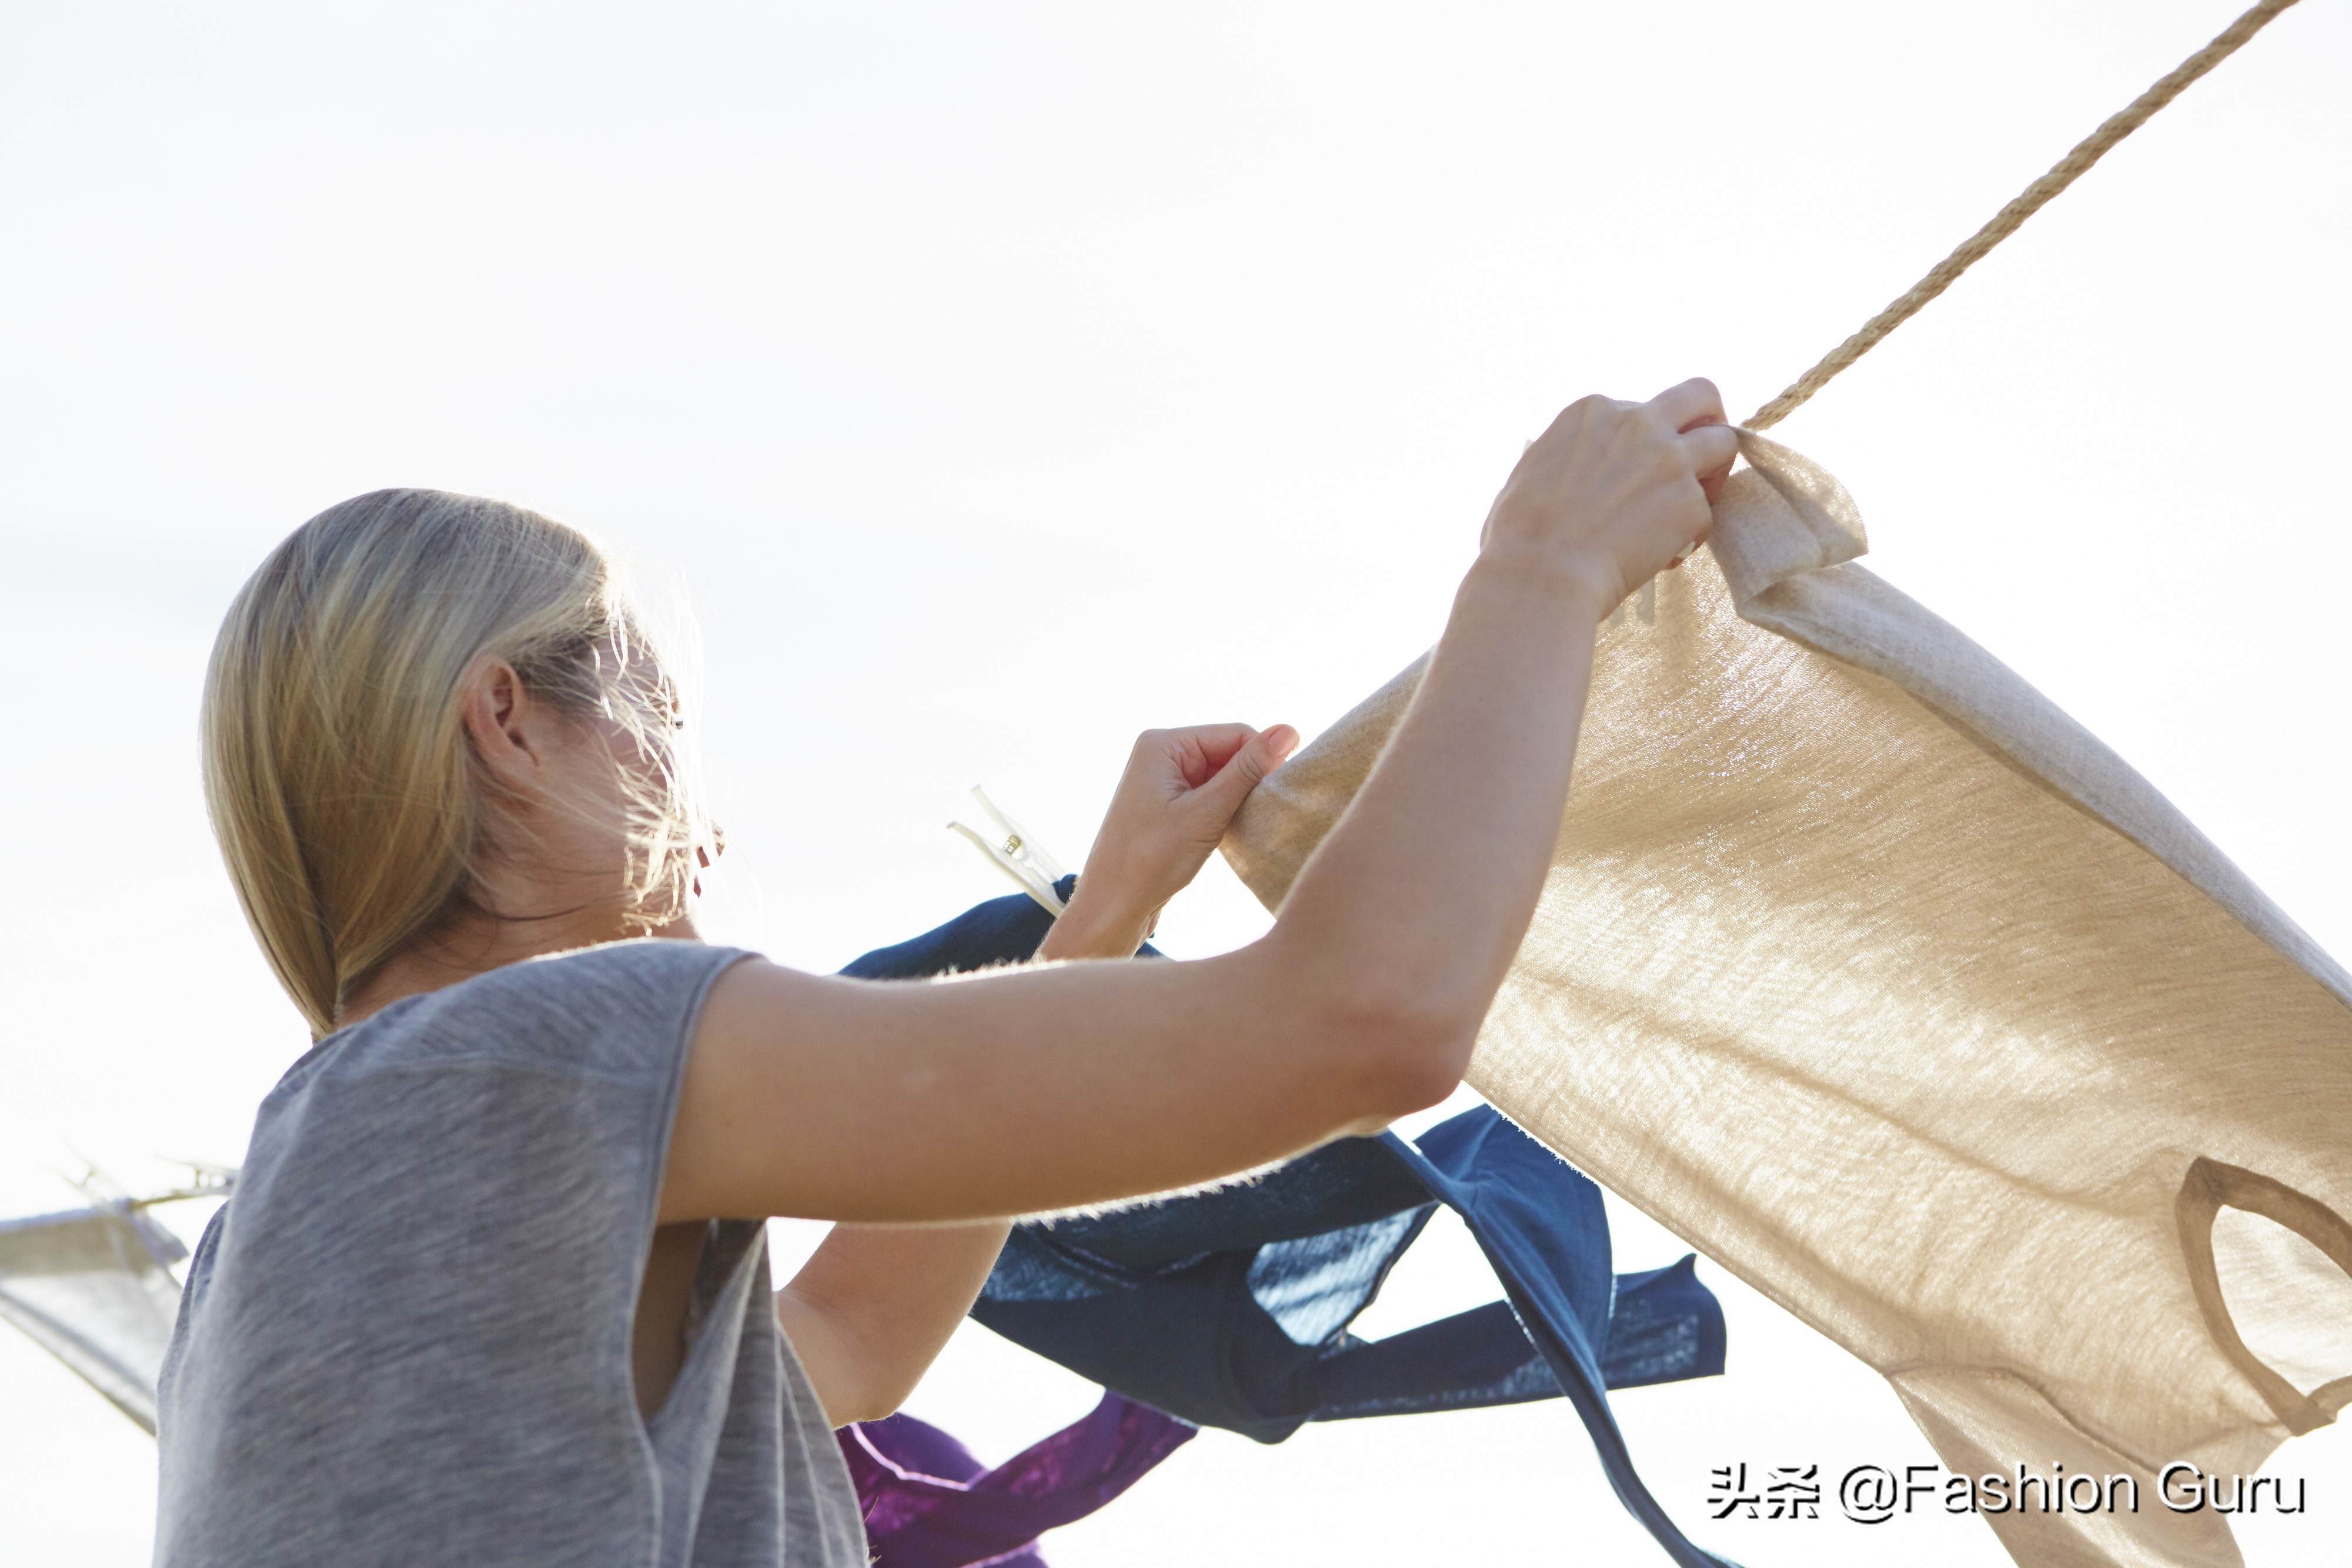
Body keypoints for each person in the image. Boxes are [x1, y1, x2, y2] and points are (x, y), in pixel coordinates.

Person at [156, 380, 1737, 1566]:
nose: (711, 821)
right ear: (507, 721)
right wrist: (1543, 566)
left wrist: (1098, 921)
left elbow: (844, 1347)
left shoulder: (294, 1216)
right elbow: (1363, 1019)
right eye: (665, 719)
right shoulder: (547, 1049)